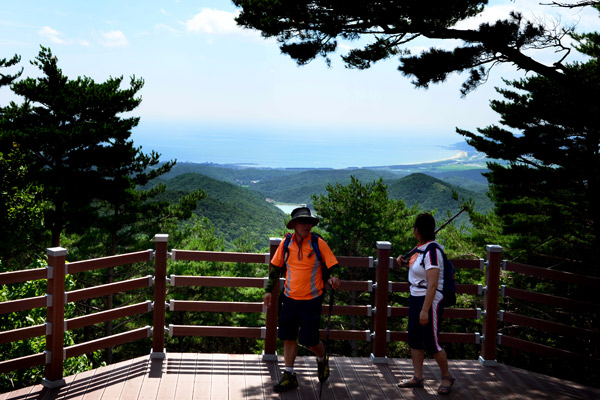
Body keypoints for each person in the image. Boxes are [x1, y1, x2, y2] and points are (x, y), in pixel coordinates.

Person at [263, 206, 341, 393]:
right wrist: (268, 291)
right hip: (289, 298)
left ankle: (322, 359)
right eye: (303, 222)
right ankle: (289, 375)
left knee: (310, 340)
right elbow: (275, 267)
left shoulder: (318, 243)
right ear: (294, 225)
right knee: (288, 337)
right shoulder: (286, 243)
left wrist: (335, 277)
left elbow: (334, 265)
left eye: (309, 222)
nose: (307, 225)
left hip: (312, 300)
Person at [396, 213, 455, 395]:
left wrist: (424, 310)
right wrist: (403, 263)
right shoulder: (421, 249)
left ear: (417, 230)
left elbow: (433, 283)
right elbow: (418, 269)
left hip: (429, 300)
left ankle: (447, 376)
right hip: (415, 297)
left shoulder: (433, 252)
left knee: (431, 340)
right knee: (414, 338)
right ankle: (418, 377)